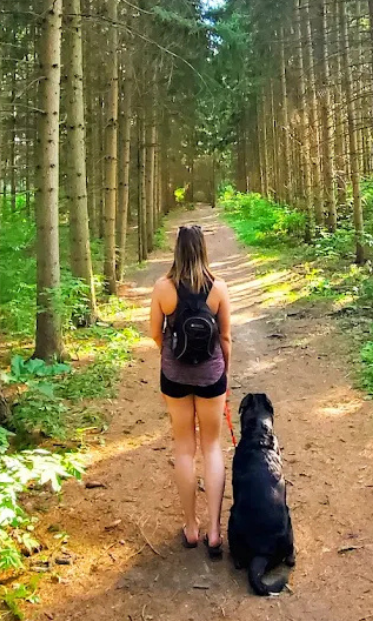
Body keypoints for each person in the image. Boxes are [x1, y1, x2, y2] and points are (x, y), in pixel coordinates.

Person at [149, 224, 233, 559]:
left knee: (184, 448)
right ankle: (215, 531)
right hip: (212, 376)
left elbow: (155, 333)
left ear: (177, 250)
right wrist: (224, 370)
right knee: (212, 447)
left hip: (175, 375)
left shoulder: (162, 287)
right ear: (203, 249)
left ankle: (191, 526)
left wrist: (168, 353)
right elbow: (225, 337)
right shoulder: (218, 288)